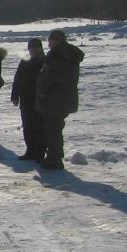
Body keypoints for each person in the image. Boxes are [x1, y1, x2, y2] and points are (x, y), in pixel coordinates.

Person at [35, 29, 84, 170]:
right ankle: (55, 156)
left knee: (53, 130)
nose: (48, 44)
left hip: (54, 99)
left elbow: (49, 77)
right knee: (56, 128)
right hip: (65, 98)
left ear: (56, 40)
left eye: (50, 40)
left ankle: (54, 159)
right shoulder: (69, 54)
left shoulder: (57, 55)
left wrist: (42, 93)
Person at [10, 38, 46, 161]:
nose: (33, 50)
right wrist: (14, 95)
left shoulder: (45, 61)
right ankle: (30, 151)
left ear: (40, 48)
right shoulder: (25, 61)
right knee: (28, 127)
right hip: (25, 99)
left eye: (35, 48)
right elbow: (17, 78)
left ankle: (40, 153)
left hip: (39, 100)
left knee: (39, 127)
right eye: (31, 48)